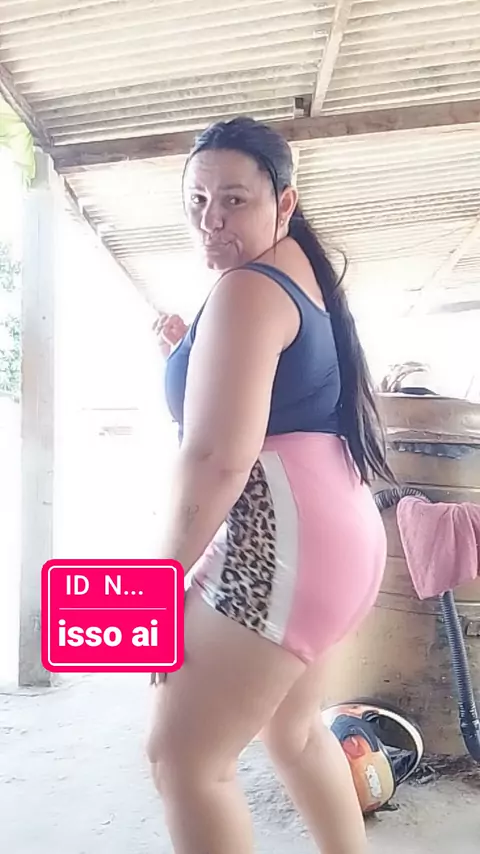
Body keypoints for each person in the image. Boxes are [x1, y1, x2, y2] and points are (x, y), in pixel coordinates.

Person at [147, 116, 393, 854]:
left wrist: (152, 588)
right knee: (294, 732)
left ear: (284, 202)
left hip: (283, 546)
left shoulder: (247, 289)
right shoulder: (296, 270)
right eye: (197, 201)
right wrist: (185, 352)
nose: (211, 220)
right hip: (337, 537)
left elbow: (216, 459)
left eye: (234, 200)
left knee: (185, 761)